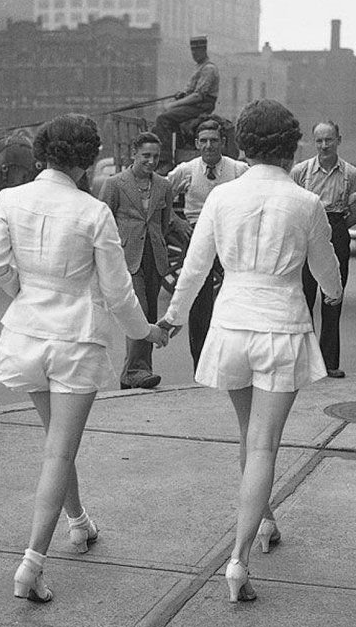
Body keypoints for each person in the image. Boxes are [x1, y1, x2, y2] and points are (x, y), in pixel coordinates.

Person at [0, 114, 169, 603]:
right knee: (59, 452)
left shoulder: (9, 199)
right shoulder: (93, 212)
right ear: (86, 160)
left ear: (43, 153)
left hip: (25, 336)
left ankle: (79, 522)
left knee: (55, 444)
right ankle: (31, 564)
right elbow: (119, 292)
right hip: (75, 341)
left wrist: (23, 292)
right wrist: (145, 332)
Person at [159, 99, 342, 603]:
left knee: (248, 433)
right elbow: (326, 269)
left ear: (243, 144)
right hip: (281, 326)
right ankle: (238, 558)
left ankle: (264, 520)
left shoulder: (222, 197)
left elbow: (194, 268)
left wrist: (173, 318)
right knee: (264, 444)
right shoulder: (306, 202)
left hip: (232, 325)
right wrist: (332, 293)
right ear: (291, 146)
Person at [167, 118, 249, 370]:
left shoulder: (238, 170)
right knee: (198, 302)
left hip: (229, 239)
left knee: (235, 296)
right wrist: (177, 221)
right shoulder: (186, 170)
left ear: (223, 142)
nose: (209, 146)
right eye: (203, 141)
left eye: (214, 140)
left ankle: (233, 362)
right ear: (196, 144)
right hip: (197, 237)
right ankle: (200, 366)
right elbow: (161, 195)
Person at [99, 132, 176, 390]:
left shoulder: (164, 186)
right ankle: (136, 370)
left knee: (150, 312)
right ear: (134, 154)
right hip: (126, 258)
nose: (151, 161)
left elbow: (164, 222)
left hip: (154, 257)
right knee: (139, 311)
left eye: (156, 156)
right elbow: (102, 220)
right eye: (146, 156)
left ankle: (135, 374)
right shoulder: (115, 184)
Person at [290, 120, 356, 378]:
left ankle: (329, 363)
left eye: (329, 140)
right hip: (307, 234)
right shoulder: (300, 172)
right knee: (304, 298)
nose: (324, 145)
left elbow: (355, 214)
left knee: (333, 297)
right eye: (319, 140)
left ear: (338, 141)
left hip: (337, 231)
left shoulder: (350, 174)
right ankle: (306, 363)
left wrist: (335, 230)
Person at [153, 36, 219, 172]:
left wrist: (173, 105)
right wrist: (182, 95)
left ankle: (165, 162)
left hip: (202, 105)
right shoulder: (199, 67)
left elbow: (198, 96)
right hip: (196, 104)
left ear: (204, 50)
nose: (194, 54)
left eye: (197, 51)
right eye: (192, 51)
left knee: (163, 118)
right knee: (165, 120)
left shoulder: (209, 69)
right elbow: (190, 91)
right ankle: (176, 152)